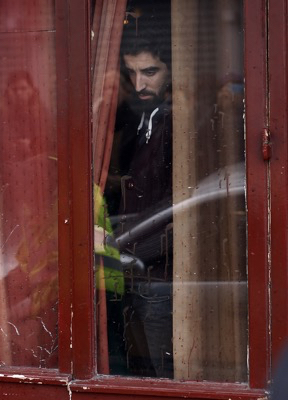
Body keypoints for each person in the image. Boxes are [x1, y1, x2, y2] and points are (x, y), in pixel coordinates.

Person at [105, 19, 174, 378]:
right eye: (131, 73)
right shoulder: (141, 118)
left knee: (165, 377)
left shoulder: (177, 124)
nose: (140, 84)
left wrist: (128, 249)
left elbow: (177, 209)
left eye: (150, 71)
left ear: (172, 69)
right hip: (137, 276)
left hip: (159, 279)